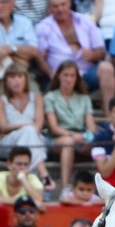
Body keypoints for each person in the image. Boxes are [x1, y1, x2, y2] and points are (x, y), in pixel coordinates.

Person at [35, 0, 115, 117]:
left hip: (86, 74)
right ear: (50, 8)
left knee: (107, 68)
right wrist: (50, 72)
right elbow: (40, 58)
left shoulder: (86, 21)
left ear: (69, 4)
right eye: (55, 6)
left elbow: (101, 52)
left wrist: (92, 55)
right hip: (59, 77)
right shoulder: (42, 27)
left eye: (63, 4)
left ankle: (109, 117)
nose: (60, 9)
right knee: (62, 77)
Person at [0, 62, 54, 189]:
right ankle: (43, 174)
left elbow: (38, 124)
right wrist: (26, 125)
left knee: (30, 132)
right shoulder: (0, 101)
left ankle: (24, 179)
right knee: (29, 131)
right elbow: (3, 126)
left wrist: (21, 126)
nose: (16, 81)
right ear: (6, 81)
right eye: (12, 77)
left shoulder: (37, 98)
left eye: (19, 76)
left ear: (26, 80)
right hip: (8, 142)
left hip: (34, 138)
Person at [44, 60, 97, 191]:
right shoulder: (49, 97)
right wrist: (74, 136)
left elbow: (91, 127)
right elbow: (53, 127)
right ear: (58, 76)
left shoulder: (84, 98)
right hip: (58, 138)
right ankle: (65, 188)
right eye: (65, 75)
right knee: (68, 142)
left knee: (100, 145)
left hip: (81, 136)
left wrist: (87, 136)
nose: (69, 79)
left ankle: (100, 187)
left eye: (72, 75)